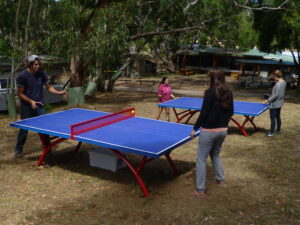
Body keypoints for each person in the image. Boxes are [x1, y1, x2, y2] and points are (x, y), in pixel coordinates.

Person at [190, 70, 234, 197]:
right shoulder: (229, 93)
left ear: (212, 79)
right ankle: (220, 181)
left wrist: (195, 128)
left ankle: (200, 190)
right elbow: (231, 112)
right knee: (216, 155)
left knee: (201, 159)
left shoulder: (209, 93)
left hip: (209, 132)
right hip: (223, 131)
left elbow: (203, 113)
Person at [14, 55, 67, 158]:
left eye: (39, 64)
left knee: (44, 128)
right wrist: (31, 102)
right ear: (30, 65)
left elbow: (49, 87)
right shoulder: (22, 76)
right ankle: (18, 150)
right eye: (35, 64)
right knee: (24, 129)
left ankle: (48, 149)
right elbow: (20, 94)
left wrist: (58, 92)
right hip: (26, 107)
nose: (38, 66)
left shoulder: (41, 74)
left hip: (39, 105)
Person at [263, 70, 286, 137]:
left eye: (274, 76)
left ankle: (271, 132)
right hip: (280, 102)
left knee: (273, 118)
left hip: (274, 104)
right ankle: (278, 130)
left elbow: (276, 94)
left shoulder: (278, 84)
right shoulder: (283, 82)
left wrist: (268, 100)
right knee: (278, 117)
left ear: (276, 76)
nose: (274, 78)